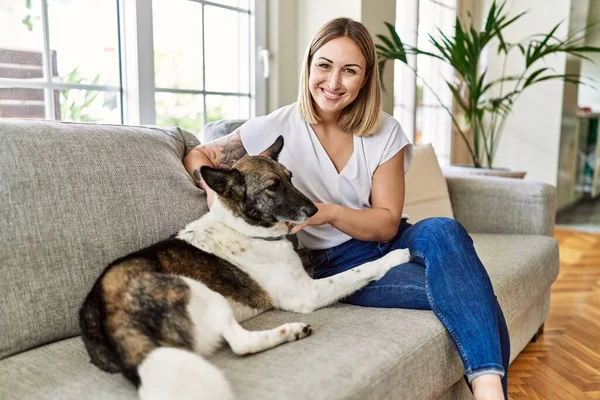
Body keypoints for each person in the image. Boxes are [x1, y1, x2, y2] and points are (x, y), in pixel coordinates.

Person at [183, 17, 510, 400]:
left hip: (393, 237)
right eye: (324, 65)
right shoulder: (274, 126)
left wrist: (329, 212)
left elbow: (387, 225)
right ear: (308, 66)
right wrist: (217, 195)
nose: (334, 82)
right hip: (342, 263)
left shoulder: (385, 131)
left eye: (349, 70)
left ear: (366, 77)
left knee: (444, 229)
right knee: (472, 291)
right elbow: (201, 153)